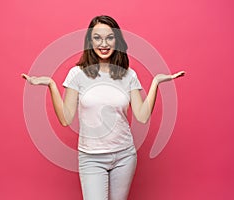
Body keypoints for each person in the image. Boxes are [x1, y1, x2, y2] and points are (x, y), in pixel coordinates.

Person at [22, 15, 184, 200]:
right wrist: (51, 85)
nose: (104, 43)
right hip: (91, 157)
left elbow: (143, 115)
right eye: (97, 38)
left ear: (117, 40)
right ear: (90, 41)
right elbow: (65, 119)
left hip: (125, 156)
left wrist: (156, 82)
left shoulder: (128, 75)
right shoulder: (77, 74)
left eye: (110, 37)